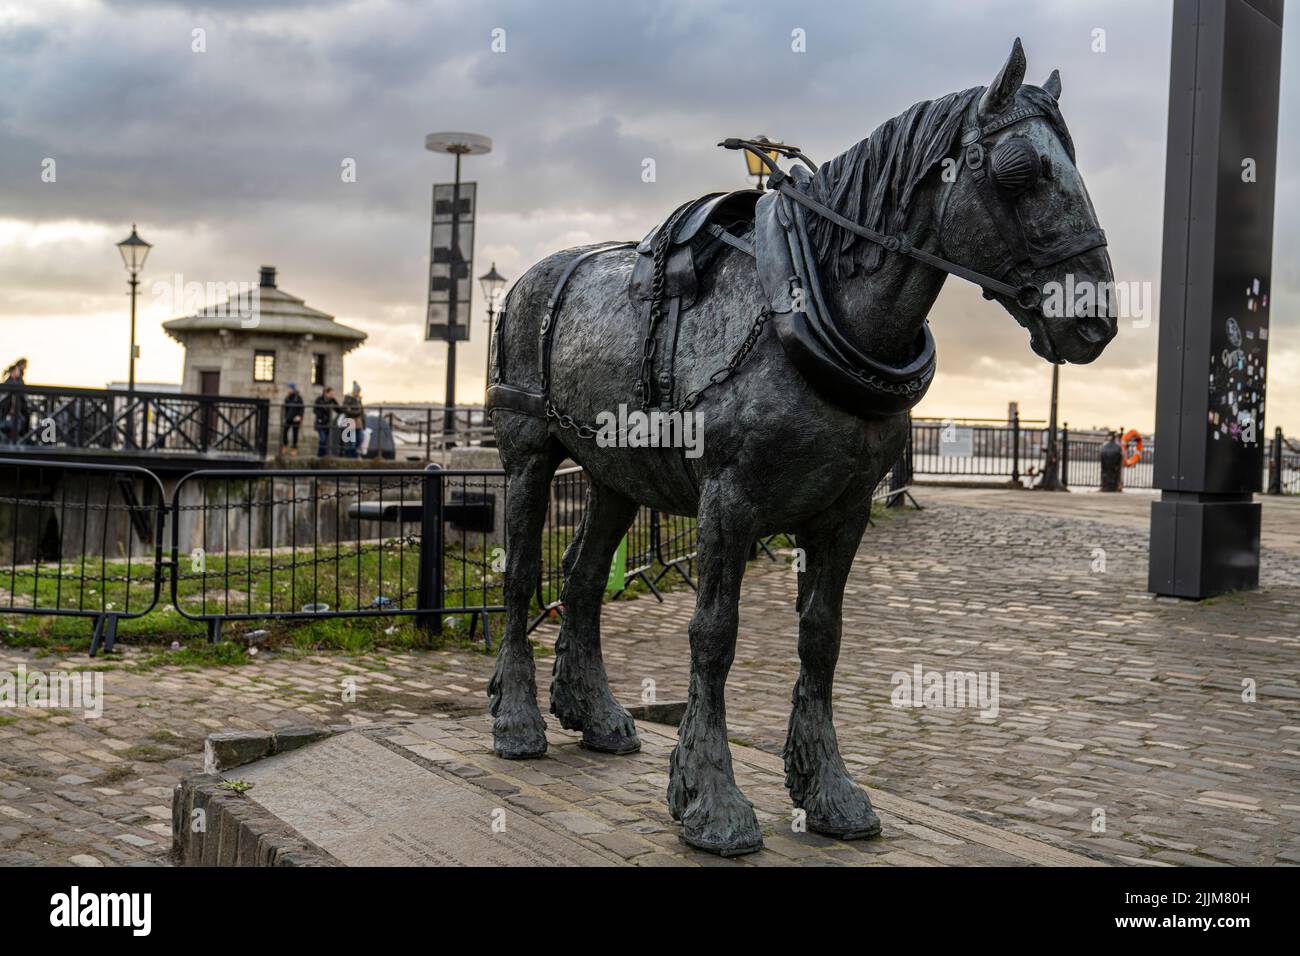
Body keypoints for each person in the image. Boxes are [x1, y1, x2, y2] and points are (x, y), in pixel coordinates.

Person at [0, 358, 28, 444]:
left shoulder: (12, 381)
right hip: (11, 409)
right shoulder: (12, 382)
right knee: (17, 424)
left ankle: (14, 441)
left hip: (14, 409)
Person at [313, 386, 339, 457]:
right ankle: (320, 455)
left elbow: (338, 409)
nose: (332, 395)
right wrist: (322, 416)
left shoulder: (332, 400)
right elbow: (315, 410)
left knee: (326, 441)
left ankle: (323, 455)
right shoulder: (319, 400)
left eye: (333, 394)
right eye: (331, 394)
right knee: (322, 439)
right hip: (320, 423)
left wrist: (346, 410)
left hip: (328, 424)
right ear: (325, 393)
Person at [340, 382, 364, 458]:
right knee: (351, 442)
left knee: (359, 439)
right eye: (357, 391)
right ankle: (351, 457)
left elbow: (361, 411)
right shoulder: (348, 398)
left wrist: (353, 411)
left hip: (358, 423)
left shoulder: (359, 399)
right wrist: (356, 412)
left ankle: (353, 456)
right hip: (349, 422)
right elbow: (346, 409)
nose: (358, 393)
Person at [281, 382, 304, 455]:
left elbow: (301, 408)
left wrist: (299, 416)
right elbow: (286, 408)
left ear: (293, 389)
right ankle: (285, 445)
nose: (288, 390)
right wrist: (286, 416)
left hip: (296, 419)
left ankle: (294, 448)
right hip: (288, 418)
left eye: (289, 388)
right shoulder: (287, 397)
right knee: (284, 432)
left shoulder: (298, 397)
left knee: (295, 434)